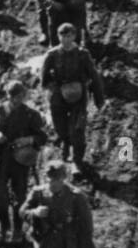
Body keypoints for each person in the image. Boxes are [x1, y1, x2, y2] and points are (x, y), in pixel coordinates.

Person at [0, 80, 47, 246]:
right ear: (8, 96)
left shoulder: (30, 114)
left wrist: (28, 139)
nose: (16, 100)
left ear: (24, 96)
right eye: (12, 97)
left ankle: (18, 230)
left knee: (19, 197)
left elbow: (42, 137)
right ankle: (3, 227)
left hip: (20, 161)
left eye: (19, 97)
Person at [41, 22, 105, 174]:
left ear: (74, 36)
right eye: (62, 36)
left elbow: (94, 77)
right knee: (60, 127)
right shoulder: (52, 55)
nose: (65, 39)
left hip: (78, 94)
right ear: (58, 36)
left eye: (69, 36)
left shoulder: (83, 54)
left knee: (77, 129)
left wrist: (98, 98)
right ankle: (65, 142)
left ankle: (77, 161)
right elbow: (44, 79)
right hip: (59, 94)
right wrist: (55, 89)